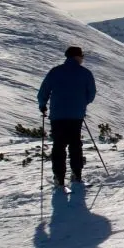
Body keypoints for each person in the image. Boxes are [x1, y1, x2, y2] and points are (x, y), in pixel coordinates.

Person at [38, 46, 97, 187]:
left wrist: (42, 105)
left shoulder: (55, 71)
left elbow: (44, 90)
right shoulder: (85, 73)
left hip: (57, 115)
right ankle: (76, 175)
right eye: (82, 56)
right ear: (77, 57)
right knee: (75, 145)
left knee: (59, 146)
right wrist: (81, 103)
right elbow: (91, 93)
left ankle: (59, 177)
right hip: (76, 116)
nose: (82, 59)